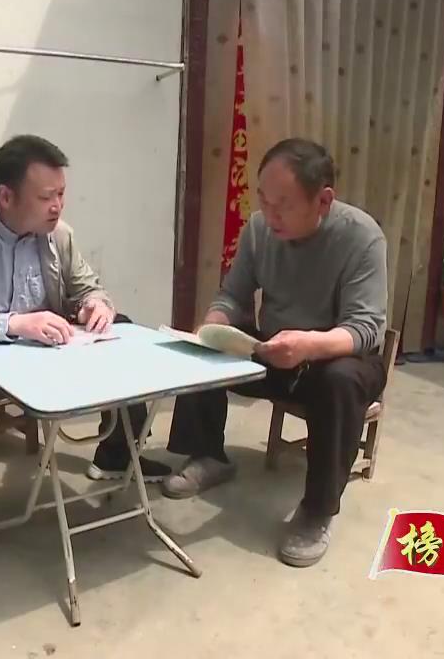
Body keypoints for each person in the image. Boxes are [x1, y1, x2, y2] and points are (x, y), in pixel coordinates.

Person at [0, 134, 172, 527]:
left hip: (40, 352)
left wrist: (95, 305)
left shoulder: (59, 233)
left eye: (61, 194)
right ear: (6, 196)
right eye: (47, 197)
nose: (58, 205)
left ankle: (116, 453)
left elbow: (88, 287)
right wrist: (12, 324)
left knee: (120, 326)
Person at [161, 137, 388, 568]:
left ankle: (317, 511)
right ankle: (208, 454)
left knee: (340, 379)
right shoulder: (259, 229)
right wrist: (214, 325)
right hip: (276, 347)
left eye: (283, 205)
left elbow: (364, 328)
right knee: (203, 346)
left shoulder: (361, 238)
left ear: (323, 200)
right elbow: (233, 294)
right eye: (263, 200)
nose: (270, 214)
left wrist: (309, 344)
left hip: (337, 357)